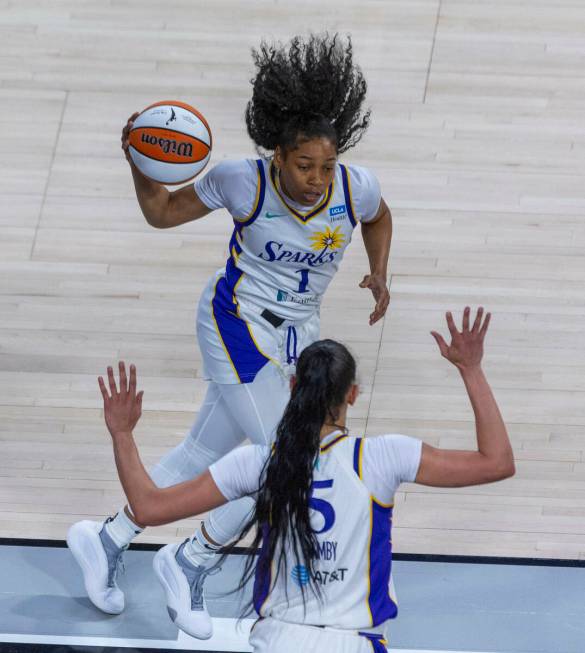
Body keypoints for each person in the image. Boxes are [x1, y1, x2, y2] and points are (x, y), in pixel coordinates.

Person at [66, 33, 393, 638]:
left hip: (297, 338)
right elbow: (162, 212)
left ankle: (107, 540)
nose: (318, 178)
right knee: (281, 461)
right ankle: (189, 560)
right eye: (304, 166)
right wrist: (141, 164)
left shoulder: (356, 187)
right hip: (236, 325)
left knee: (203, 452)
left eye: (326, 165)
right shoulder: (242, 182)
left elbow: (379, 217)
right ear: (276, 154)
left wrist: (379, 271)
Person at [97, 307, 514, 652]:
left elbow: (149, 507)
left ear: (293, 386)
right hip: (352, 643)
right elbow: (496, 462)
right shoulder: (384, 457)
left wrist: (122, 434)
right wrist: (471, 369)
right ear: (352, 394)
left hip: (277, 639)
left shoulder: (259, 463)